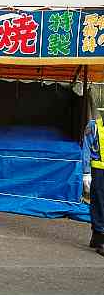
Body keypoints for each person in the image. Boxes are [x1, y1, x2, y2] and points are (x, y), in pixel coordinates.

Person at [83, 105, 104, 255]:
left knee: (99, 202)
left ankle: (98, 236)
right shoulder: (94, 125)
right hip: (98, 170)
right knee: (98, 202)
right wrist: (86, 172)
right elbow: (86, 148)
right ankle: (99, 236)